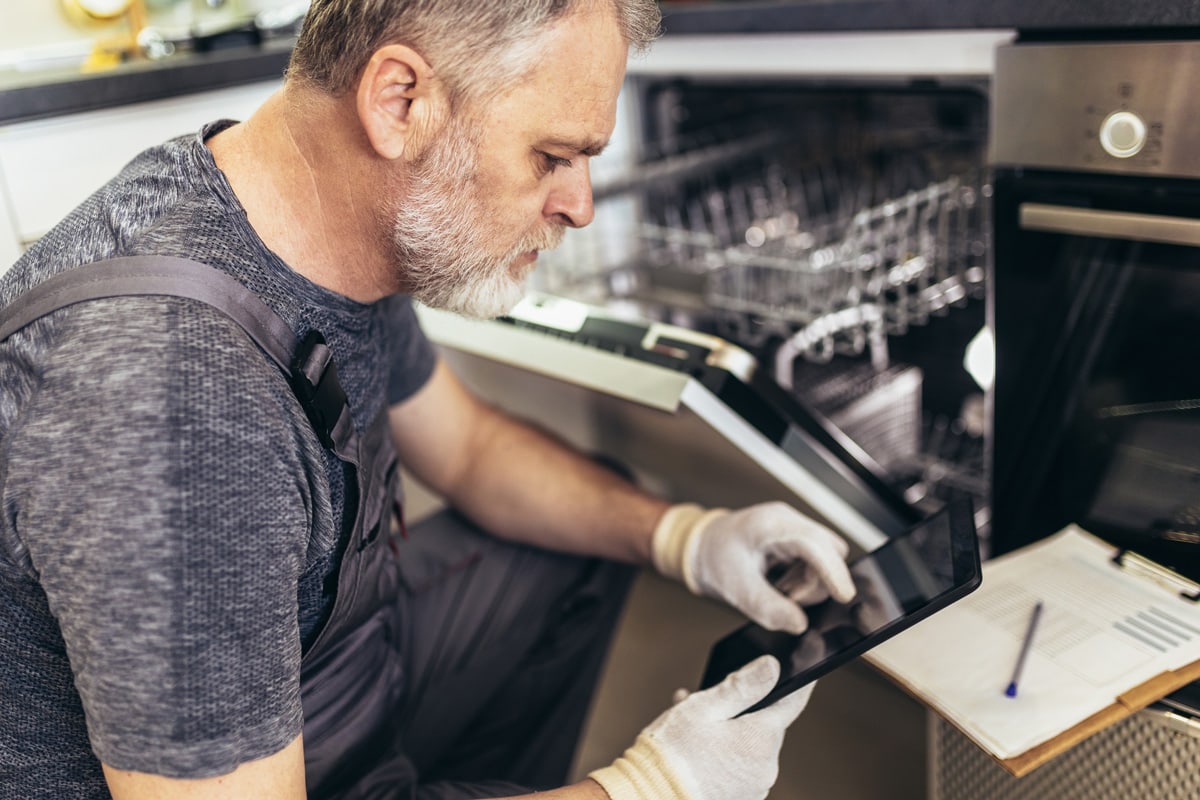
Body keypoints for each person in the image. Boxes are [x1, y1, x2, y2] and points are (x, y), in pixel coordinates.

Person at [0, 1, 858, 798]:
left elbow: (472, 452)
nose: (580, 206)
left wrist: (687, 537)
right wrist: (649, 787)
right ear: (400, 101)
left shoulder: (325, 232)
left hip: (324, 687)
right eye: (552, 157)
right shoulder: (176, 408)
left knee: (590, 533)